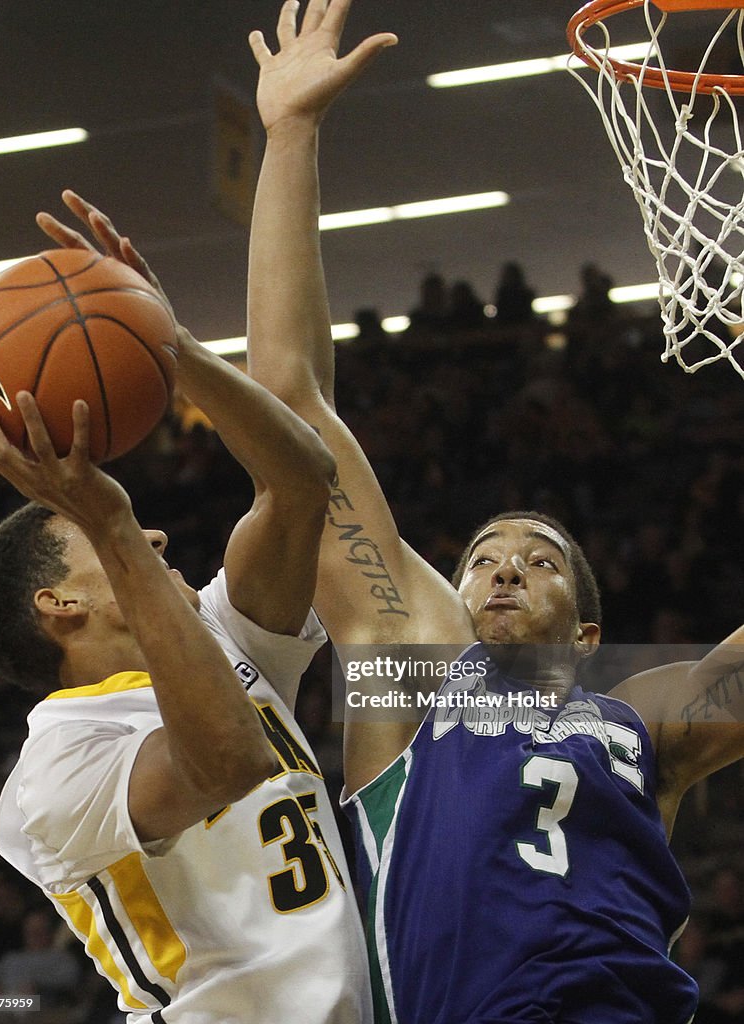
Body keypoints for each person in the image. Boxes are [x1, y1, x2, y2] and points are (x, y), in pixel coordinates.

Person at [245, 1, 744, 1021]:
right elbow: (289, 401)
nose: (507, 568)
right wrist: (290, 136)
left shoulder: (641, 719)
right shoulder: (410, 671)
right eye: (482, 558)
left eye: (543, 560)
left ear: (591, 634)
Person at [0, 191, 373, 1021]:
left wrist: (169, 343)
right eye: (107, 540)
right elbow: (226, 762)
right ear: (60, 602)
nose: (151, 536)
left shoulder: (220, 636)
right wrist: (105, 519)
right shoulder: (52, 776)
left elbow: (301, 481)